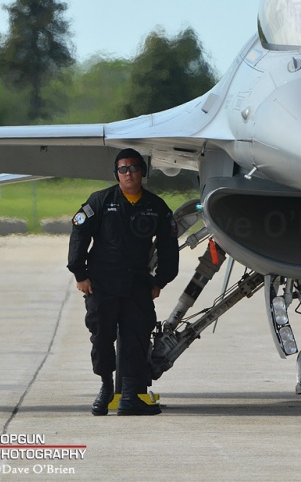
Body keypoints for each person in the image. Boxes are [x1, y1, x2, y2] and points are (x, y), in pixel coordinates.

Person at [67, 148, 179, 416]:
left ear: (143, 171)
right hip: (101, 284)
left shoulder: (156, 207)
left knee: (135, 339)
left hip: (137, 284)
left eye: (134, 168)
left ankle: (130, 396)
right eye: (123, 169)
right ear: (116, 174)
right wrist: (80, 274)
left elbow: (169, 247)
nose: (129, 174)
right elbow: (79, 234)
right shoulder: (100, 201)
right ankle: (106, 388)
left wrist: (160, 280)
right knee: (102, 337)